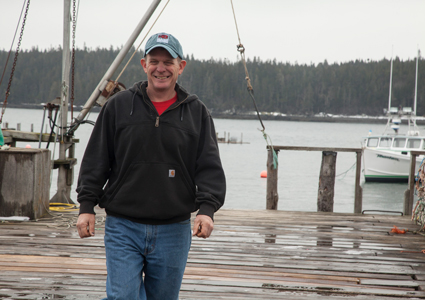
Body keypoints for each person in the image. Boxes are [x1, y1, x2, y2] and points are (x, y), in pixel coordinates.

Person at [76, 32, 226, 300]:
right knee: (122, 297)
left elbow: (208, 166)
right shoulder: (118, 107)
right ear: (144, 64)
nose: (161, 68)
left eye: (168, 62)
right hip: (123, 226)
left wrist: (207, 209)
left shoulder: (196, 113)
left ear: (181, 66)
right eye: (154, 61)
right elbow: (96, 159)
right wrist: (86, 206)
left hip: (174, 230)